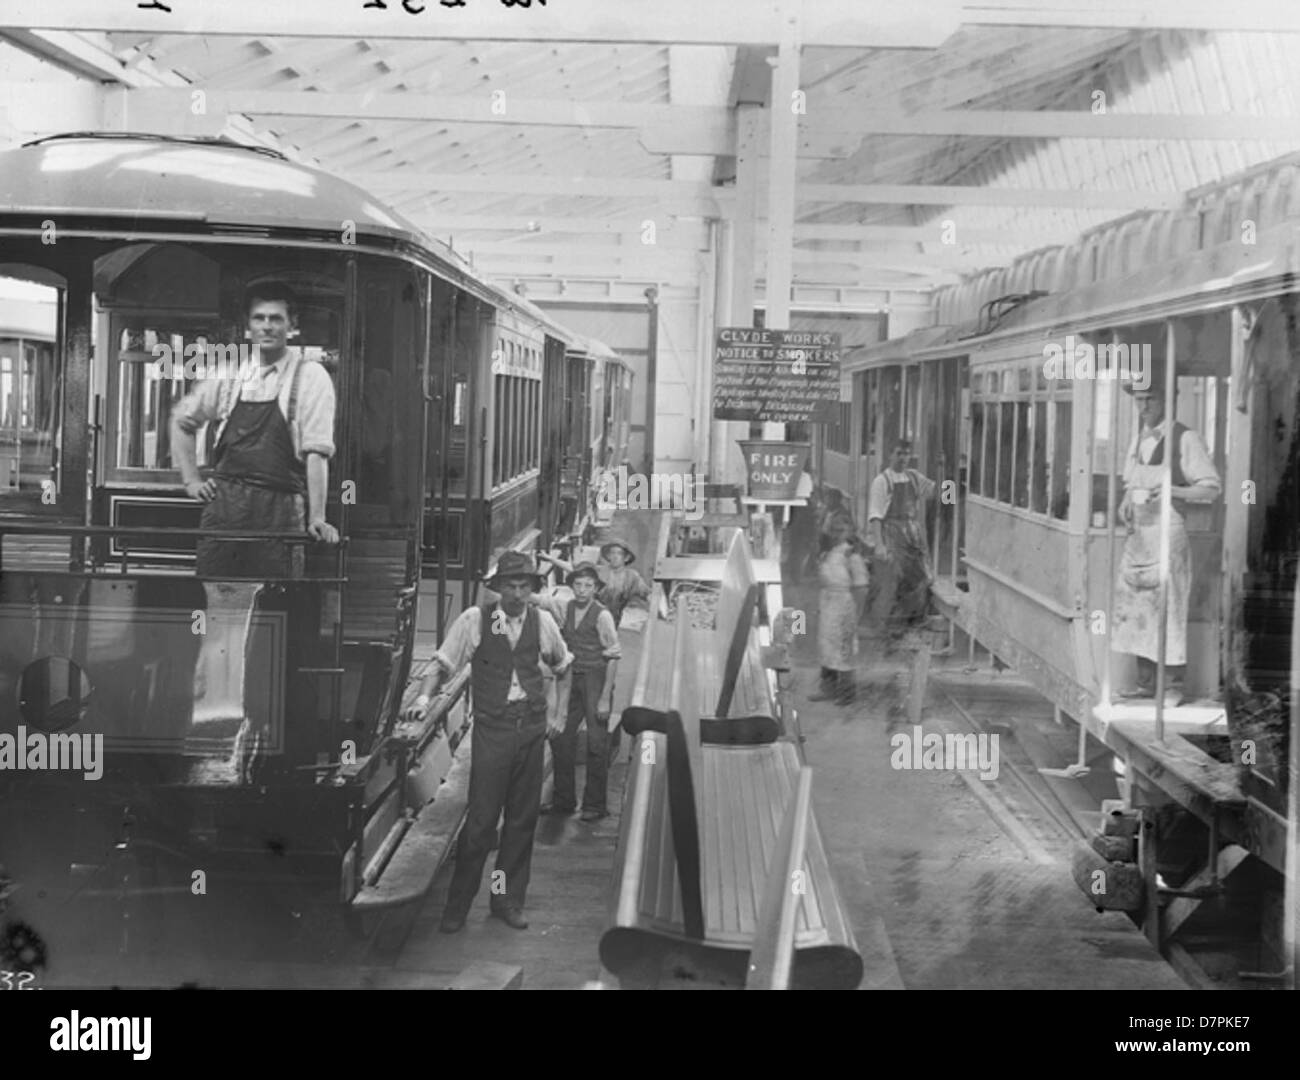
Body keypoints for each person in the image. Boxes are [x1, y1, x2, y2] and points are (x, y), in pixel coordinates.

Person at [403, 551, 572, 932]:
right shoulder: (476, 620)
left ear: (532, 589)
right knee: (480, 824)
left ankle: (504, 900)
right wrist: (425, 699)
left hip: (529, 731)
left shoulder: (542, 621)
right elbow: (444, 664)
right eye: (509, 586)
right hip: (493, 732)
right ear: (498, 589)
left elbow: (564, 666)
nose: (516, 594)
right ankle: (457, 908)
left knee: (520, 823)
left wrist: (558, 715)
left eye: (523, 586)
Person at [172, 282, 339, 577]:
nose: (267, 326)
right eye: (259, 318)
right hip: (225, 509)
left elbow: (317, 453)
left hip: (281, 510)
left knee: (277, 604)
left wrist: (318, 516)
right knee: (220, 600)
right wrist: (191, 482)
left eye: (276, 318)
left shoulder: (311, 377)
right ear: (248, 327)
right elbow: (181, 422)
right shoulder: (229, 375)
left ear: (292, 326)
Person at [1112, 369, 1221, 707]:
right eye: (1138, 400)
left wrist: (1172, 489)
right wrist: (1124, 505)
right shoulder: (1137, 438)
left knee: (1169, 610)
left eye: (1150, 399)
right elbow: (1132, 484)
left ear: (1167, 399)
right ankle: (1146, 684)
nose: (1143, 406)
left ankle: (1173, 687)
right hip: (1140, 536)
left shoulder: (1185, 439)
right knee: (1138, 608)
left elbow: (1211, 489)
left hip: (1168, 534)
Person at [539, 562, 621, 821]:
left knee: (596, 744)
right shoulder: (565, 608)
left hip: (596, 679)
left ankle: (594, 805)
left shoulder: (602, 615)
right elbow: (538, 599)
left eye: (588, 586)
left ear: (596, 589)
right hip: (571, 677)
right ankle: (564, 800)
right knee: (560, 737)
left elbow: (613, 657)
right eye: (578, 584)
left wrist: (605, 697)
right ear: (571, 586)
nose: (582, 590)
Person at [866, 441, 937, 643]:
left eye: (906, 454)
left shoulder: (914, 477)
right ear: (890, 455)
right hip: (893, 534)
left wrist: (949, 482)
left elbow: (936, 493)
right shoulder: (882, 481)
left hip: (913, 533)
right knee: (898, 581)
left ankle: (912, 624)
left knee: (925, 578)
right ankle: (890, 630)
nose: (903, 458)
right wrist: (880, 545)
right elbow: (876, 516)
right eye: (899, 453)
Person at [808, 518, 869, 705]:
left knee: (844, 648)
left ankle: (848, 693)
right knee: (826, 646)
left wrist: (856, 614)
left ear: (850, 531)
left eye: (842, 529)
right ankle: (828, 689)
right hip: (827, 602)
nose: (837, 533)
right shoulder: (827, 553)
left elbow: (862, 587)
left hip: (845, 604)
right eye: (834, 529)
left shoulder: (852, 556)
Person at [597, 537, 650, 628]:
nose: (615, 556)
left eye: (619, 553)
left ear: (626, 558)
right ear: (608, 556)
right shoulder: (600, 571)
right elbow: (578, 571)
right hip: (596, 617)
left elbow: (646, 593)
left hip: (617, 619)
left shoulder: (632, 576)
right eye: (612, 553)